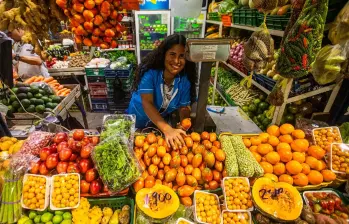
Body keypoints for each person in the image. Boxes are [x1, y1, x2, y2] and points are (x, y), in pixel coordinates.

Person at [127, 34, 197, 149]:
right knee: (138, 147)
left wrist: (183, 123)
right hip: (139, 118)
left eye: (182, 56)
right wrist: (167, 129)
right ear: (164, 54)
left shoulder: (184, 81)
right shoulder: (150, 74)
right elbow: (147, 102)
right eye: (172, 54)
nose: (176, 61)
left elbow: (184, 107)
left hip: (159, 123)